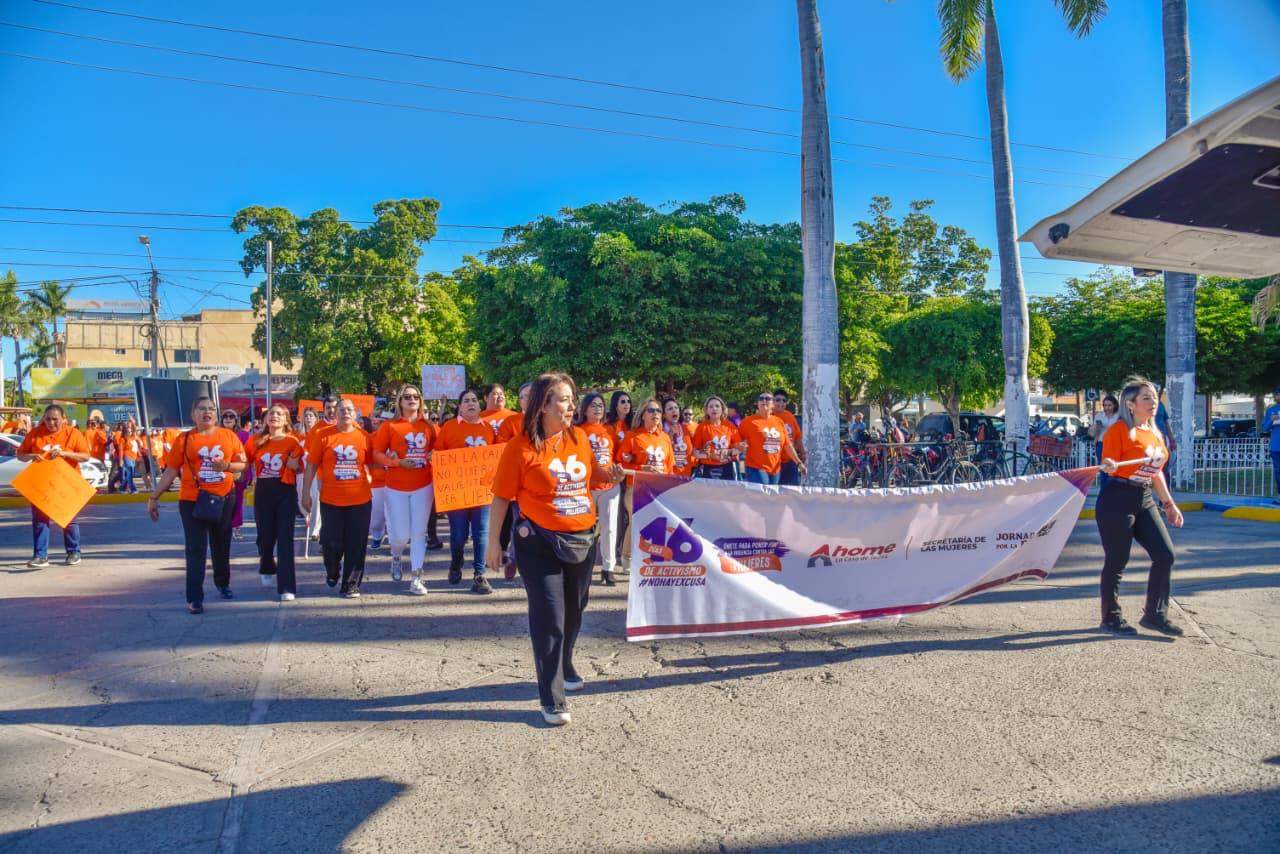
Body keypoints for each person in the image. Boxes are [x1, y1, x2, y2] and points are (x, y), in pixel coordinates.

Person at [486, 372, 626, 726]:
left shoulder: (578, 438)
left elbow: (591, 475)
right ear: (543, 405)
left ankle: (564, 663)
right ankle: (551, 697)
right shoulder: (519, 447)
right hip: (538, 542)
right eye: (564, 399)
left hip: (582, 539)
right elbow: (501, 497)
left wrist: (611, 475)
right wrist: (493, 544)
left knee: (575, 610)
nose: (571, 406)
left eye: (572, 399)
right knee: (550, 616)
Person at [1096, 377, 1185, 636]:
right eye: (1146, 398)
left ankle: (1155, 616)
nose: (1153, 402)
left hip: (1145, 498)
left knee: (1165, 555)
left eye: (1155, 397)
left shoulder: (1154, 432)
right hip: (1117, 498)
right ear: (1131, 404)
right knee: (1117, 560)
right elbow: (1108, 464)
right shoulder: (1119, 430)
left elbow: (1156, 473)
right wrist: (1109, 465)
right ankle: (1111, 618)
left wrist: (1169, 504)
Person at [148, 397, 247, 614]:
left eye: (211, 408)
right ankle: (194, 597)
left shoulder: (228, 436)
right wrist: (154, 497)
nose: (207, 412)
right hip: (192, 500)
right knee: (195, 548)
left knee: (221, 544)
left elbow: (242, 464)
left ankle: (223, 583)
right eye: (201, 409)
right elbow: (171, 471)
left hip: (224, 498)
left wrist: (227, 465)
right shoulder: (184, 439)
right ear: (193, 414)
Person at [303, 398, 373, 598]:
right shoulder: (323, 435)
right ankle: (332, 570)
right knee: (331, 542)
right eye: (341, 409)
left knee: (356, 544)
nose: (345, 412)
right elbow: (311, 465)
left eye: (349, 409)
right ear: (336, 413)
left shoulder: (364, 436)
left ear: (355, 413)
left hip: (360, 500)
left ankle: (351, 584)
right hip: (331, 500)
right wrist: (305, 493)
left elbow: (372, 463)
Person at [372, 385, 437, 596]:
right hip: (395, 487)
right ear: (400, 401)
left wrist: (434, 455)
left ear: (420, 401)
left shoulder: (430, 427)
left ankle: (417, 577)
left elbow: (442, 450)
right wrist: (397, 462)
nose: (412, 399)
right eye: (407, 396)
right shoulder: (389, 426)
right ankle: (396, 556)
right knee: (400, 536)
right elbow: (376, 454)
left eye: (415, 396)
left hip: (423, 486)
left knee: (419, 533)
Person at [435, 388, 496, 593]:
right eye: (466, 401)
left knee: (481, 533)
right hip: (457, 492)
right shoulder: (449, 427)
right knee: (459, 535)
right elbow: (438, 454)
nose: (471, 403)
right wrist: (434, 457)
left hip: (482, 491)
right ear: (460, 407)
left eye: (474, 400)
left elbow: (498, 457)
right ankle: (456, 562)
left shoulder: (489, 428)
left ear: (480, 405)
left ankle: (480, 575)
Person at [17, 404, 91, 568]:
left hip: (66, 483)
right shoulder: (35, 433)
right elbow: (20, 455)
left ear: (63, 419)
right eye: (48, 419)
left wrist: (65, 453)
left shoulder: (73, 433)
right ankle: (40, 556)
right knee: (40, 521)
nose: (51, 423)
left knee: (69, 520)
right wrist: (31, 456)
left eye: (55, 419)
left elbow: (85, 456)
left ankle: (73, 552)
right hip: (42, 484)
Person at [245, 404, 303, 601]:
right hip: (263, 490)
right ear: (265, 419)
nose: (275, 416)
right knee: (265, 537)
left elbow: (300, 467)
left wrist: (295, 465)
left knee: (285, 538)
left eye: (279, 414)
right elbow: (243, 463)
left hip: (285, 491)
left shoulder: (293, 441)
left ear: (286, 420)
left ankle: (287, 587)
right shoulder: (256, 440)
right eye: (271, 413)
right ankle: (267, 565)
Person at [616, 397, 675, 574]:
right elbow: (620, 464)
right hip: (636, 488)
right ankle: (627, 559)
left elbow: (669, 467)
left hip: (659, 490)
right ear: (642, 415)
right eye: (651, 410)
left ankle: (654, 558)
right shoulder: (633, 436)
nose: (655, 413)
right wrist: (641, 468)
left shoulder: (665, 437)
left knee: (658, 525)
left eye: (658, 410)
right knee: (636, 523)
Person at [577, 391, 621, 584]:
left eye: (601, 405)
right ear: (585, 409)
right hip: (585, 487)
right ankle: (581, 566)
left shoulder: (610, 430)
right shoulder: (578, 431)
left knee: (609, 527)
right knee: (585, 528)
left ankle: (608, 568)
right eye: (593, 405)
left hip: (609, 486)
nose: (597, 409)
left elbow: (618, 455)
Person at [738, 392, 806, 485]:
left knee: (774, 494)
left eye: (768, 399)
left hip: (775, 469)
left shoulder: (779, 421)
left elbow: (787, 445)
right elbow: (735, 440)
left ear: (773, 404)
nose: (764, 400)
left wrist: (799, 463)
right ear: (757, 403)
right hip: (756, 467)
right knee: (762, 493)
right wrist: (739, 446)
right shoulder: (748, 421)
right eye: (761, 399)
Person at [606, 390, 633, 570]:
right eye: (622, 401)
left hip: (630, 474)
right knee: (616, 515)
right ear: (615, 404)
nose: (626, 405)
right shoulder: (609, 426)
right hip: (614, 474)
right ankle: (615, 550)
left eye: (628, 402)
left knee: (628, 516)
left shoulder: (633, 425)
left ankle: (625, 550)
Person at [692, 396, 740, 480]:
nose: (714, 408)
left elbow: (739, 449)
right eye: (711, 406)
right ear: (707, 410)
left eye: (717, 406)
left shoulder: (730, 426)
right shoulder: (702, 427)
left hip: (727, 467)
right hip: (708, 468)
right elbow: (695, 452)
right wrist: (711, 456)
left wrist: (728, 452)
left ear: (722, 409)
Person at [226, 411, 254, 540]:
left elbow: (248, 456)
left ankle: (236, 527)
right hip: (220, 474)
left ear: (236, 420)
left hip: (238, 473)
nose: (228, 419)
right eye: (225, 416)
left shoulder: (243, 435)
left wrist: (248, 475)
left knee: (237, 501)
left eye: (231, 416)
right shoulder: (216, 434)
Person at [772, 390, 807, 486]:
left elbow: (797, 437)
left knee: (792, 489)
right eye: (778, 400)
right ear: (772, 401)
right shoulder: (768, 416)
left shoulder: (790, 416)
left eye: (784, 400)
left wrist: (802, 453)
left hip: (790, 460)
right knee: (775, 490)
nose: (781, 403)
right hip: (774, 461)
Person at [663, 398, 696, 477]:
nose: (674, 410)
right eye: (670, 409)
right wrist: (670, 436)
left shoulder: (686, 429)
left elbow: (693, 451)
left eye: (676, 408)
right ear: (664, 415)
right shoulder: (660, 431)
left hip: (685, 476)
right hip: (667, 476)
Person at [1092, 394, 1120, 474]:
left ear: (1115, 405)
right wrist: (1096, 428)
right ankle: (1103, 482)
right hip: (1101, 443)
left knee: (1114, 465)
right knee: (1103, 467)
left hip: (1115, 444)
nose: (1107, 408)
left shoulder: (1119, 416)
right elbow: (1092, 432)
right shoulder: (1099, 416)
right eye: (1105, 405)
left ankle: (1112, 481)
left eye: (1109, 405)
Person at [1265, 386, 1280, 506]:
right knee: (1278, 472)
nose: (1277, 396)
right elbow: (1265, 427)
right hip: (1276, 447)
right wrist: (1271, 420)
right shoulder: (1271, 410)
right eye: (1276, 394)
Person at [119, 423, 141, 493]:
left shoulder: (132, 437)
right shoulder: (122, 439)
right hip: (127, 457)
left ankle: (122, 488)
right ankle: (133, 489)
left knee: (130, 474)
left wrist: (133, 422)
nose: (130, 432)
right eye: (128, 431)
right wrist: (121, 460)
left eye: (130, 431)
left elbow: (135, 429)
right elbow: (121, 450)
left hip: (133, 458)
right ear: (125, 432)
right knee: (130, 473)